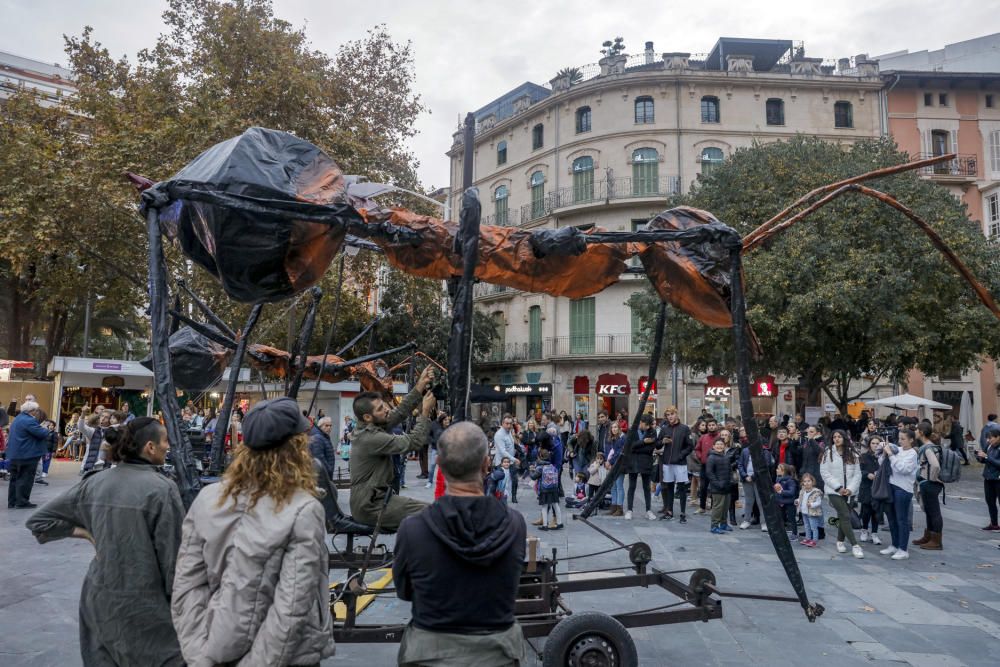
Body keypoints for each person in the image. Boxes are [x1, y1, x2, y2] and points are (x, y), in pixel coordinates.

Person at [171, 397, 335, 666]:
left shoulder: (208, 498)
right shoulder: (303, 509)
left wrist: (199, 656)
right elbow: (291, 610)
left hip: (213, 647)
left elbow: (186, 587)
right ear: (297, 447)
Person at [26, 417, 185, 666]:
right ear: (150, 447)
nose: (168, 446)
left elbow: (39, 521)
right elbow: (172, 558)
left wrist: (85, 533)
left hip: (99, 597)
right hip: (144, 604)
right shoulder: (162, 489)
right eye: (165, 441)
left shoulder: (94, 482)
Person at [393, 422, 526, 666]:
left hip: (429, 652)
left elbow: (404, 591)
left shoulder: (413, 529)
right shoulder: (514, 525)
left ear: (440, 467)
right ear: (487, 464)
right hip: (497, 653)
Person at [350, 365, 437, 530]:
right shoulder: (370, 437)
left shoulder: (371, 426)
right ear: (368, 417)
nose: (387, 410)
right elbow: (413, 443)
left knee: (430, 512)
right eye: (381, 409)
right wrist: (425, 413)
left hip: (376, 500)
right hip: (371, 506)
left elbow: (400, 412)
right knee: (431, 514)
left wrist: (420, 384)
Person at [820, 429, 864, 558]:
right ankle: (855, 545)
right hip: (833, 491)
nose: (837, 439)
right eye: (835, 437)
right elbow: (824, 473)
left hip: (850, 491)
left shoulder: (853, 454)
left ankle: (840, 541)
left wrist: (850, 489)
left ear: (844, 438)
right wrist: (838, 487)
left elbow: (857, 474)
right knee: (845, 515)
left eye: (839, 437)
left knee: (843, 516)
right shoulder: (828, 453)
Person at [6, 401, 56, 509]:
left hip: (15, 454)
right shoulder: (29, 420)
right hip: (27, 455)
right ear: (32, 411)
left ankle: (12, 501)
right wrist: (45, 427)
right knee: (25, 478)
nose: (36, 412)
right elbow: (42, 434)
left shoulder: (18, 419)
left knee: (14, 479)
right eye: (36, 410)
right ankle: (22, 502)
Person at [880, 428, 919, 560]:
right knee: (891, 518)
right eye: (899, 438)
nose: (900, 441)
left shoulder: (912, 453)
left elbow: (903, 469)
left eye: (903, 439)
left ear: (911, 440)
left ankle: (903, 549)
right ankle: (895, 544)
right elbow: (884, 464)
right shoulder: (898, 450)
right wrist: (885, 452)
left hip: (903, 489)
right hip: (891, 486)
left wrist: (891, 455)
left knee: (902, 519)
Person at [657, 406, 692, 523]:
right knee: (669, 487)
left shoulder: (684, 429)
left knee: (682, 488)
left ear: (676, 414)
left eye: (672, 414)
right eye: (668, 415)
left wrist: (681, 455)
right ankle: (669, 511)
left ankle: (682, 513)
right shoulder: (664, 429)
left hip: (680, 463)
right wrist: (662, 441)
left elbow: (690, 446)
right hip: (667, 462)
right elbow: (657, 444)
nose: (670, 417)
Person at [913, 422, 945, 550]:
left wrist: (931, 479)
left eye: (916, 429)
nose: (914, 431)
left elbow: (935, 465)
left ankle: (936, 541)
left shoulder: (927, 448)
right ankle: (929, 536)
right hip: (927, 483)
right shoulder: (928, 446)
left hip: (929, 484)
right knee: (930, 512)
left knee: (934, 512)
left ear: (921, 432)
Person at [625, 413, 658, 521]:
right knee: (632, 486)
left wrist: (637, 446)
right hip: (633, 462)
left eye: (648, 425)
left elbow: (650, 449)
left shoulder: (652, 431)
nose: (646, 427)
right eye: (645, 424)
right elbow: (629, 447)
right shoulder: (632, 430)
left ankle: (648, 510)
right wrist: (643, 442)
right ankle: (629, 510)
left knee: (646, 487)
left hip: (646, 462)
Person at [738, 436, 775, 531]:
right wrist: (745, 475)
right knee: (748, 501)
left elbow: (764, 466)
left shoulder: (765, 452)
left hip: (759, 480)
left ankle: (764, 522)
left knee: (760, 502)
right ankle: (746, 520)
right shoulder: (745, 451)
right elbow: (740, 464)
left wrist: (753, 476)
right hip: (747, 479)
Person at [858, 436, 884, 545]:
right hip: (867, 487)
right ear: (869, 445)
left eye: (877, 443)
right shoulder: (863, 457)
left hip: (878, 488)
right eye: (873, 443)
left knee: (876, 512)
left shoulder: (883, 457)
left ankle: (874, 533)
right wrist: (867, 474)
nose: (875, 445)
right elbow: (859, 470)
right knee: (866, 511)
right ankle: (864, 530)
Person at [530, 446, 563, 530]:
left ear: (539, 456)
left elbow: (533, 477)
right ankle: (559, 523)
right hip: (554, 489)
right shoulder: (552, 466)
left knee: (544, 507)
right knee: (555, 505)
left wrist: (531, 470)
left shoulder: (540, 467)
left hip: (544, 490)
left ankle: (545, 525)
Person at [706, 438, 732, 534]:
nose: (719, 446)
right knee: (718, 507)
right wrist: (717, 484)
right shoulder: (711, 457)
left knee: (725, 507)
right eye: (717, 444)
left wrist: (730, 482)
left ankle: (724, 524)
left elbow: (729, 471)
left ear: (724, 446)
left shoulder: (726, 457)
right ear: (713, 446)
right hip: (717, 487)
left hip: (727, 486)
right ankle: (714, 526)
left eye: (721, 444)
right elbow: (709, 473)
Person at [694, 417, 719, 514]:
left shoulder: (720, 437)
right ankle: (702, 507)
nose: (711, 427)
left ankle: (714, 507)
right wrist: (701, 457)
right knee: (703, 487)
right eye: (709, 425)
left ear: (716, 426)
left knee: (715, 487)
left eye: (713, 425)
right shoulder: (703, 437)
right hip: (704, 466)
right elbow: (697, 449)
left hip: (717, 467)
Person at [976, 428, 1000, 530]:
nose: (988, 440)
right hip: (988, 477)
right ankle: (994, 524)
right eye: (987, 438)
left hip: (998, 479)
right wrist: (979, 457)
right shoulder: (989, 446)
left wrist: (987, 457)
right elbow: (985, 460)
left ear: (998, 437)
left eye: (990, 438)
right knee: (990, 501)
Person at [604, 421, 626, 516]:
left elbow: (619, 452)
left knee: (619, 486)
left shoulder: (623, 438)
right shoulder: (612, 438)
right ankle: (613, 506)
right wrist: (607, 461)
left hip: (620, 465)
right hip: (612, 465)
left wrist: (610, 461)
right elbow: (609, 451)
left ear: (619, 428)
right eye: (612, 427)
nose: (614, 429)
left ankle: (620, 508)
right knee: (613, 486)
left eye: (616, 427)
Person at [796, 473, 824, 546]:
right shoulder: (802, 491)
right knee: (806, 526)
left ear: (812, 482)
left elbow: (819, 502)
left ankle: (814, 540)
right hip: (804, 512)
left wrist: (811, 505)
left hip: (812, 512)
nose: (807, 483)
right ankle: (807, 538)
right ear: (802, 483)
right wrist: (797, 501)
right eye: (805, 481)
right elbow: (801, 499)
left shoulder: (816, 492)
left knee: (813, 527)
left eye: (809, 481)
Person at [773, 463, 799, 534]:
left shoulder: (790, 481)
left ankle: (794, 534)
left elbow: (791, 492)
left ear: (783, 471)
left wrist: (781, 491)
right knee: (780, 519)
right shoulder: (778, 479)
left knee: (791, 519)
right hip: (782, 503)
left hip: (790, 503)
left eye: (778, 468)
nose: (776, 470)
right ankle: (780, 533)